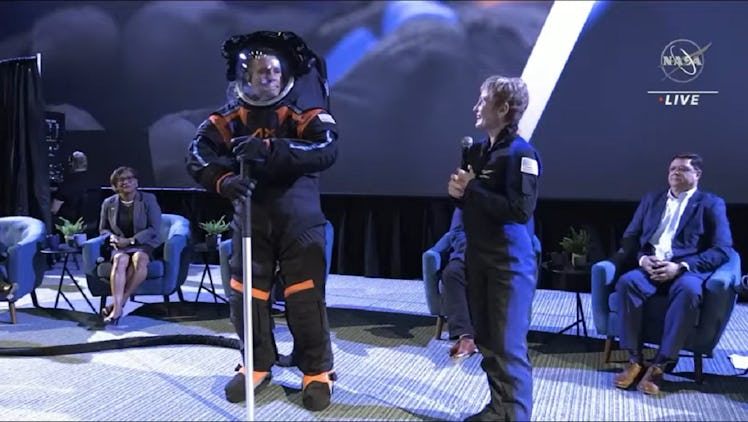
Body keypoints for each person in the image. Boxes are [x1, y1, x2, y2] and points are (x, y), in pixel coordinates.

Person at [186, 31, 338, 411]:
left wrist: (271, 149)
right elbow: (196, 153)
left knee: (304, 298)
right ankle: (256, 363)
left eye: (273, 71)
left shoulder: (304, 113)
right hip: (251, 222)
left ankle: (316, 370)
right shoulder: (228, 118)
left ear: (283, 75)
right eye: (259, 72)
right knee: (246, 298)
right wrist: (223, 180)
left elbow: (326, 148)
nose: (267, 77)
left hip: (299, 224)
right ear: (246, 77)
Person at [447, 75, 540, 421]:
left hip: (508, 263)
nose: (476, 106)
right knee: (486, 341)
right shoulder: (479, 151)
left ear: (503, 108)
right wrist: (459, 194)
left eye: (482, 100)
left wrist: (472, 190)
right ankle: (499, 409)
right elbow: (473, 203)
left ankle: (516, 415)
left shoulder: (522, 153)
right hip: (479, 258)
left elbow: (520, 210)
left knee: (508, 347)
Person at [611, 153, 732, 395]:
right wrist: (643, 259)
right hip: (651, 265)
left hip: (684, 270)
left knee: (689, 291)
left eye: (682, 169)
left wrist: (680, 267)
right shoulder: (651, 200)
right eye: (672, 169)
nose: (675, 172)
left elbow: (723, 248)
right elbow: (630, 237)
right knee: (627, 283)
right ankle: (635, 360)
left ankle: (659, 365)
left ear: (697, 175)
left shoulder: (710, 203)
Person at [98, 166, 163, 325]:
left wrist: (131, 241)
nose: (125, 182)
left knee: (139, 259)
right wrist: (111, 237)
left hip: (143, 243)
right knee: (121, 261)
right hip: (119, 245)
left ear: (136, 182)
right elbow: (103, 229)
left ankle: (117, 305)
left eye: (129, 179)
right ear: (115, 185)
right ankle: (118, 306)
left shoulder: (148, 199)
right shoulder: (109, 203)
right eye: (121, 180)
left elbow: (154, 228)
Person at [442, 208, 478, 362]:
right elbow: (456, 233)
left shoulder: (508, 199)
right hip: (467, 255)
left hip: (497, 258)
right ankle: (466, 337)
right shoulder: (464, 205)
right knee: (452, 273)